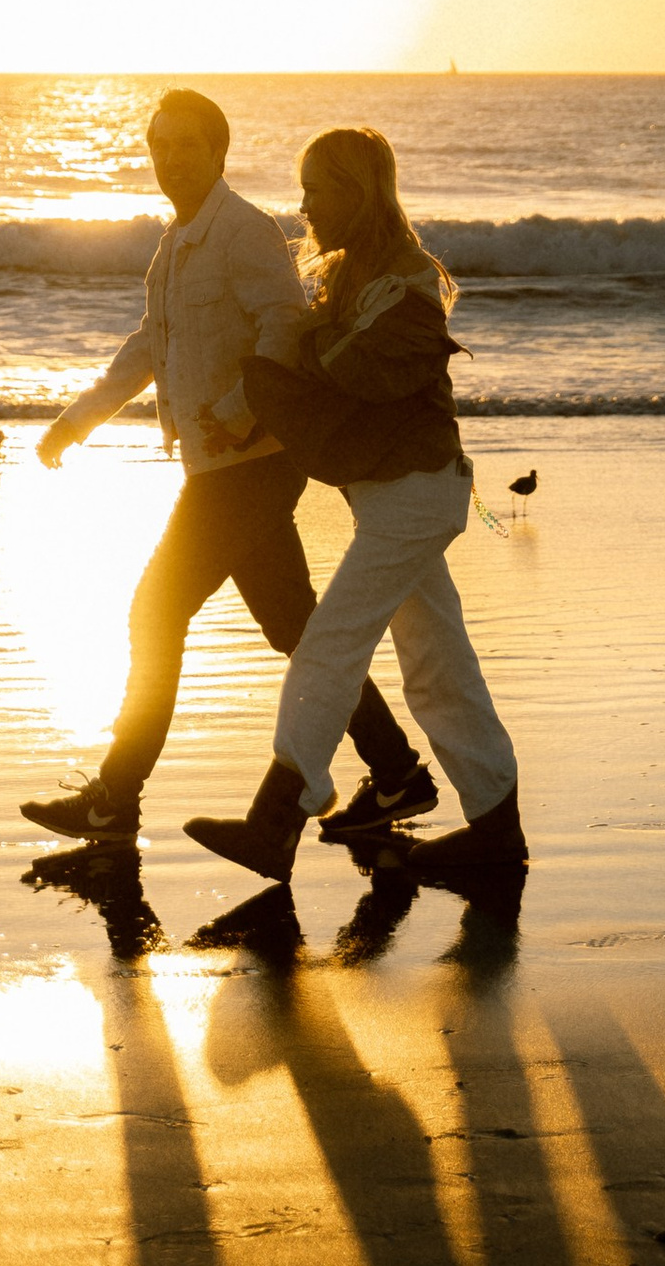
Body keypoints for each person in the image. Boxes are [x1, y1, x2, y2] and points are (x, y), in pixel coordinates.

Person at [20, 90, 434, 845]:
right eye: (159, 144)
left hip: (251, 465)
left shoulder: (245, 234)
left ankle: (114, 798)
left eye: (186, 145)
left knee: (155, 612)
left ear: (218, 153)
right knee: (297, 630)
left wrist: (242, 408)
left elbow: (284, 328)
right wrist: (77, 420)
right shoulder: (175, 243)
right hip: (217, 467)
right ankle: (399, 769)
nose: (169, 158)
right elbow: (152, 345)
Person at [185, 124, 525, 898]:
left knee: (328, 645)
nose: (303, 206)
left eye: (316, 189)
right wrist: (247, 405)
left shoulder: (403, 283)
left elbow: (352, 376)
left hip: (414, 496)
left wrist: (270, 389)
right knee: (438, 666)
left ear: (356, 190)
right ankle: (497, 832)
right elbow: (313, 364)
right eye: (301, 189)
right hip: (397, 499)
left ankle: (278, 819)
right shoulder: (353, 277)